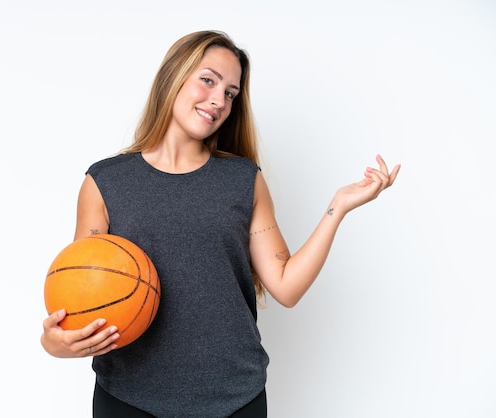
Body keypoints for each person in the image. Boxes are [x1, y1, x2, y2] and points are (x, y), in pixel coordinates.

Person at [40, 30, 400, 418]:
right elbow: (80, 301)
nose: (219, 100)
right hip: (128, 399)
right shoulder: (104, 182)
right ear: (174, 77)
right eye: (208, 80)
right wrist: (55, 343)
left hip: (234, 399)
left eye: (230, 93)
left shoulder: (243, 180)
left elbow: (286, 287)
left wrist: (338, 207)